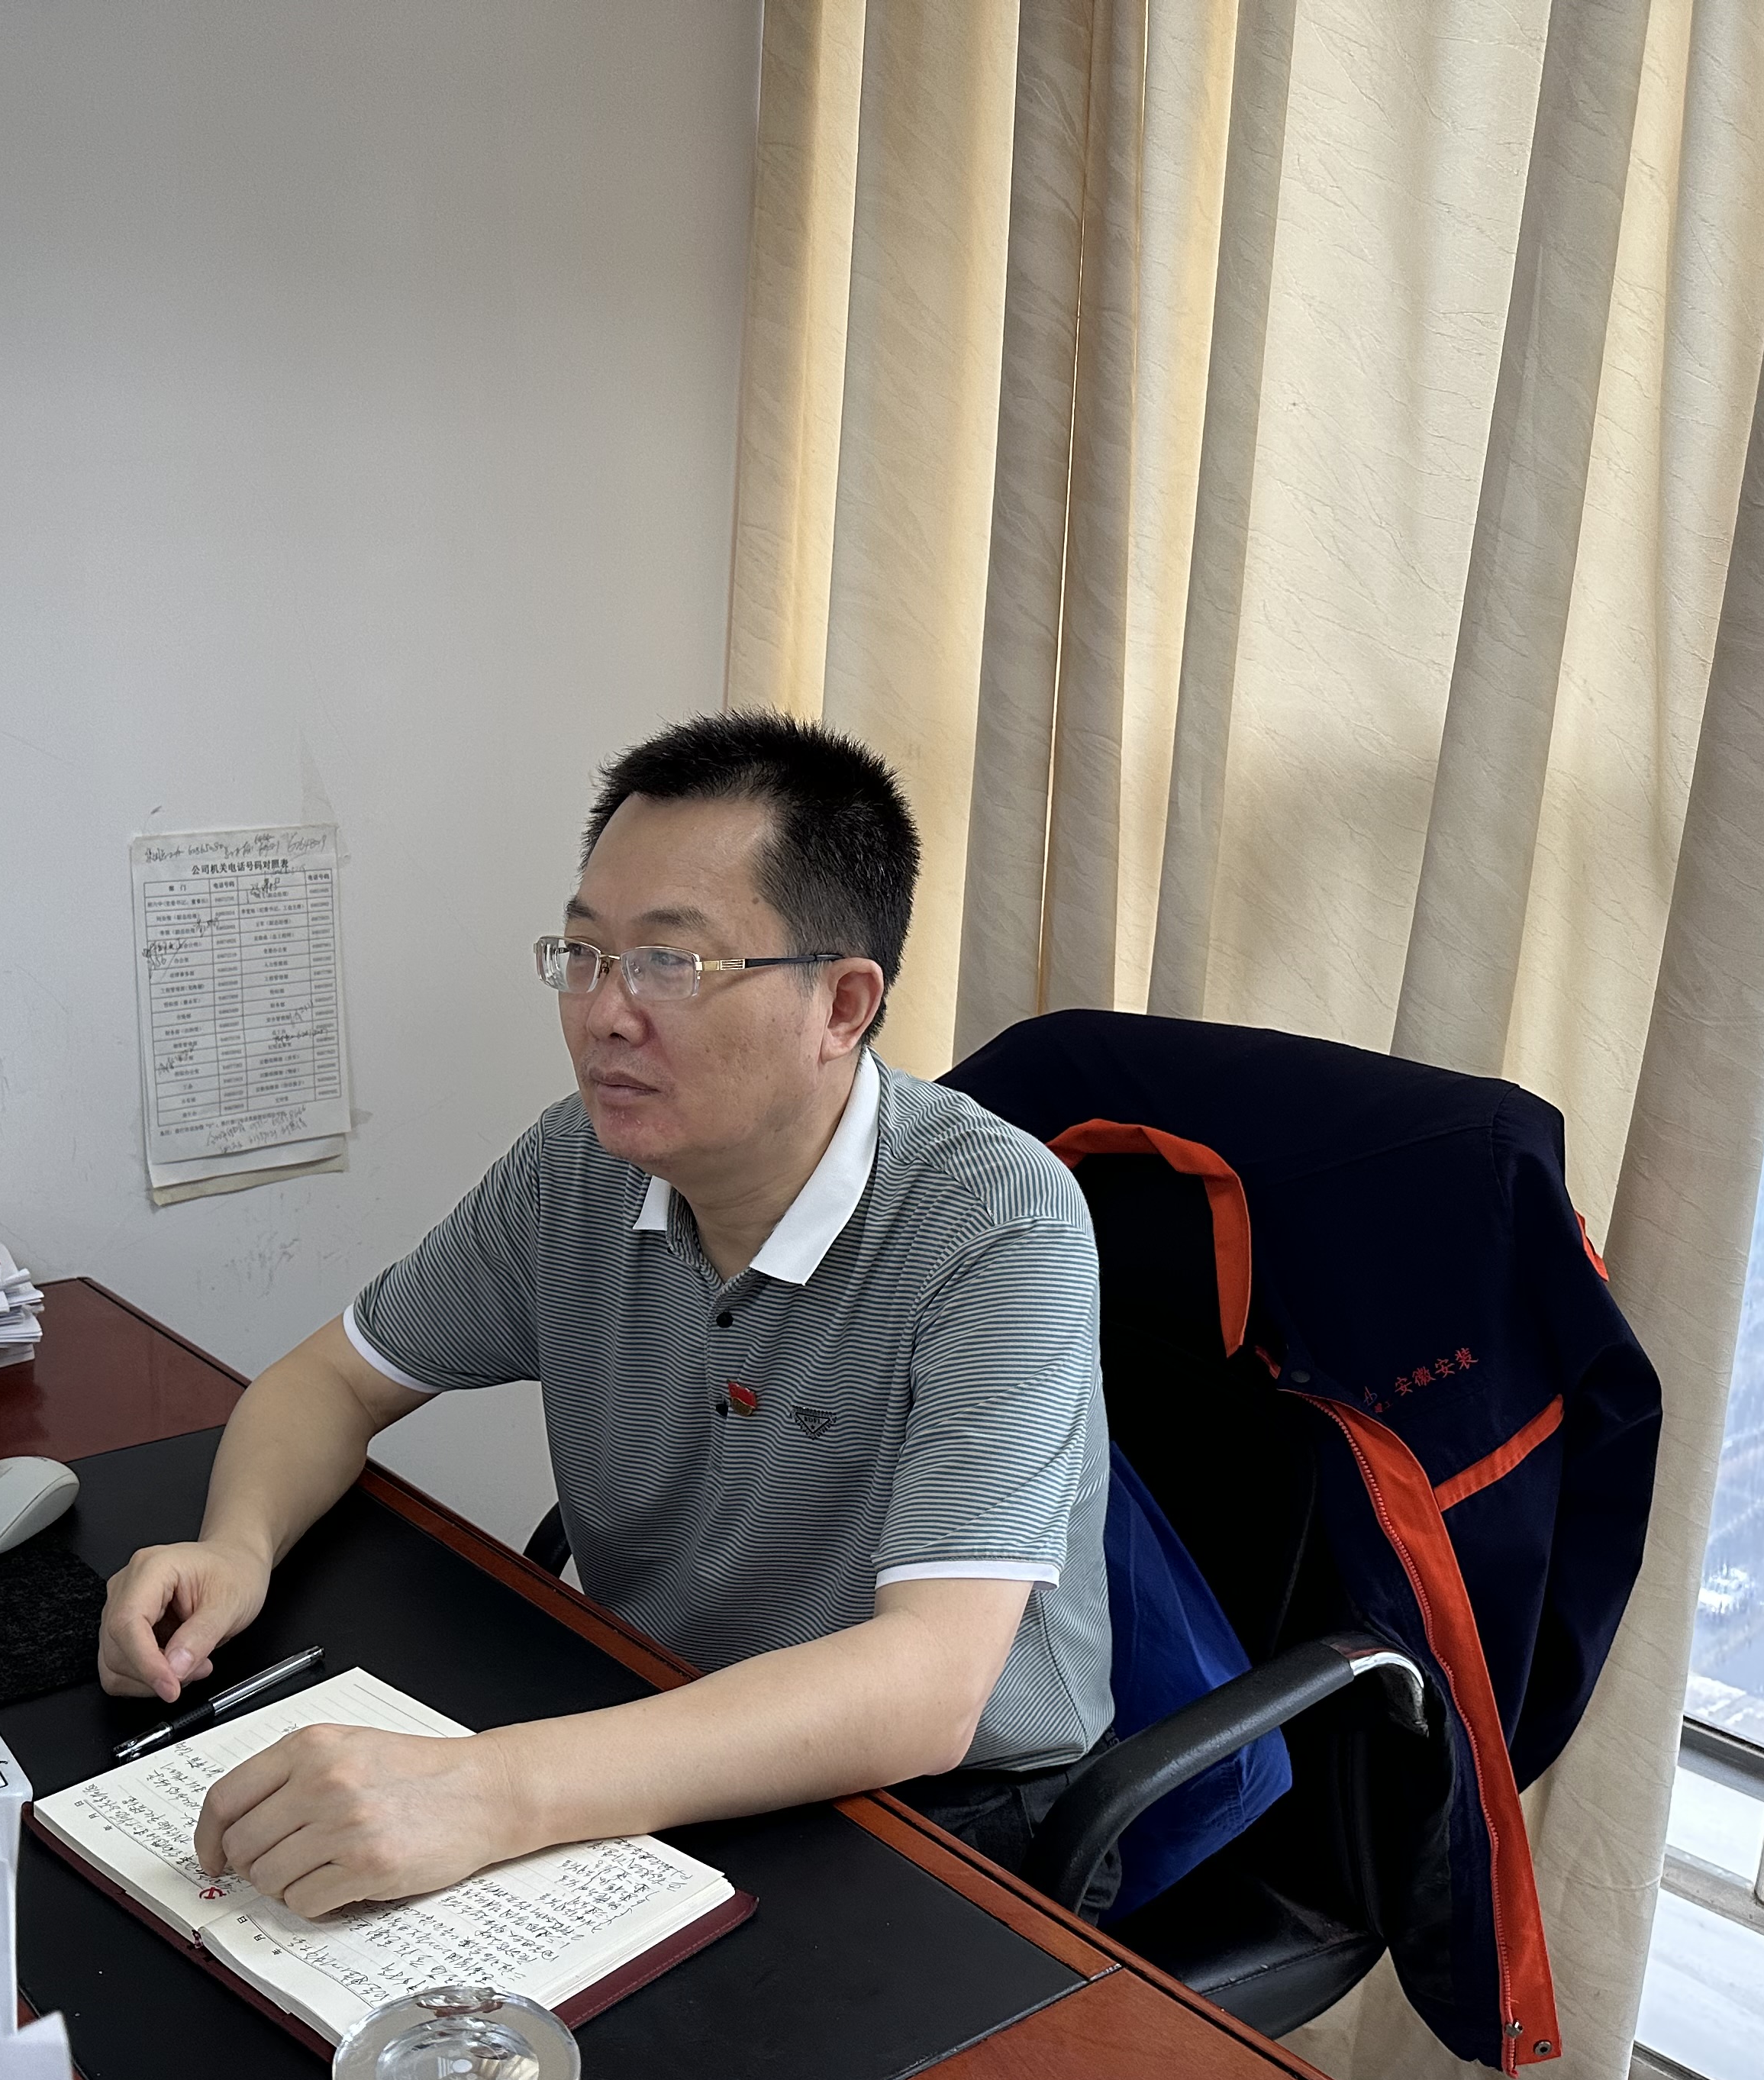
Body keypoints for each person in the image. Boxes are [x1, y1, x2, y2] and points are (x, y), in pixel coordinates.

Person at [97, 711, 1114, 1918]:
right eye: (583, 954)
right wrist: (237, 1547)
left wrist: (491, 1793)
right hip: (655, 1715)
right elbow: (334, 1380)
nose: (604, 1014)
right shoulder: (576, 1168)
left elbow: (929, 1687)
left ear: (844, 1005)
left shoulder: (995, 1221)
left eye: (670, 964)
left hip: (943, 1806)